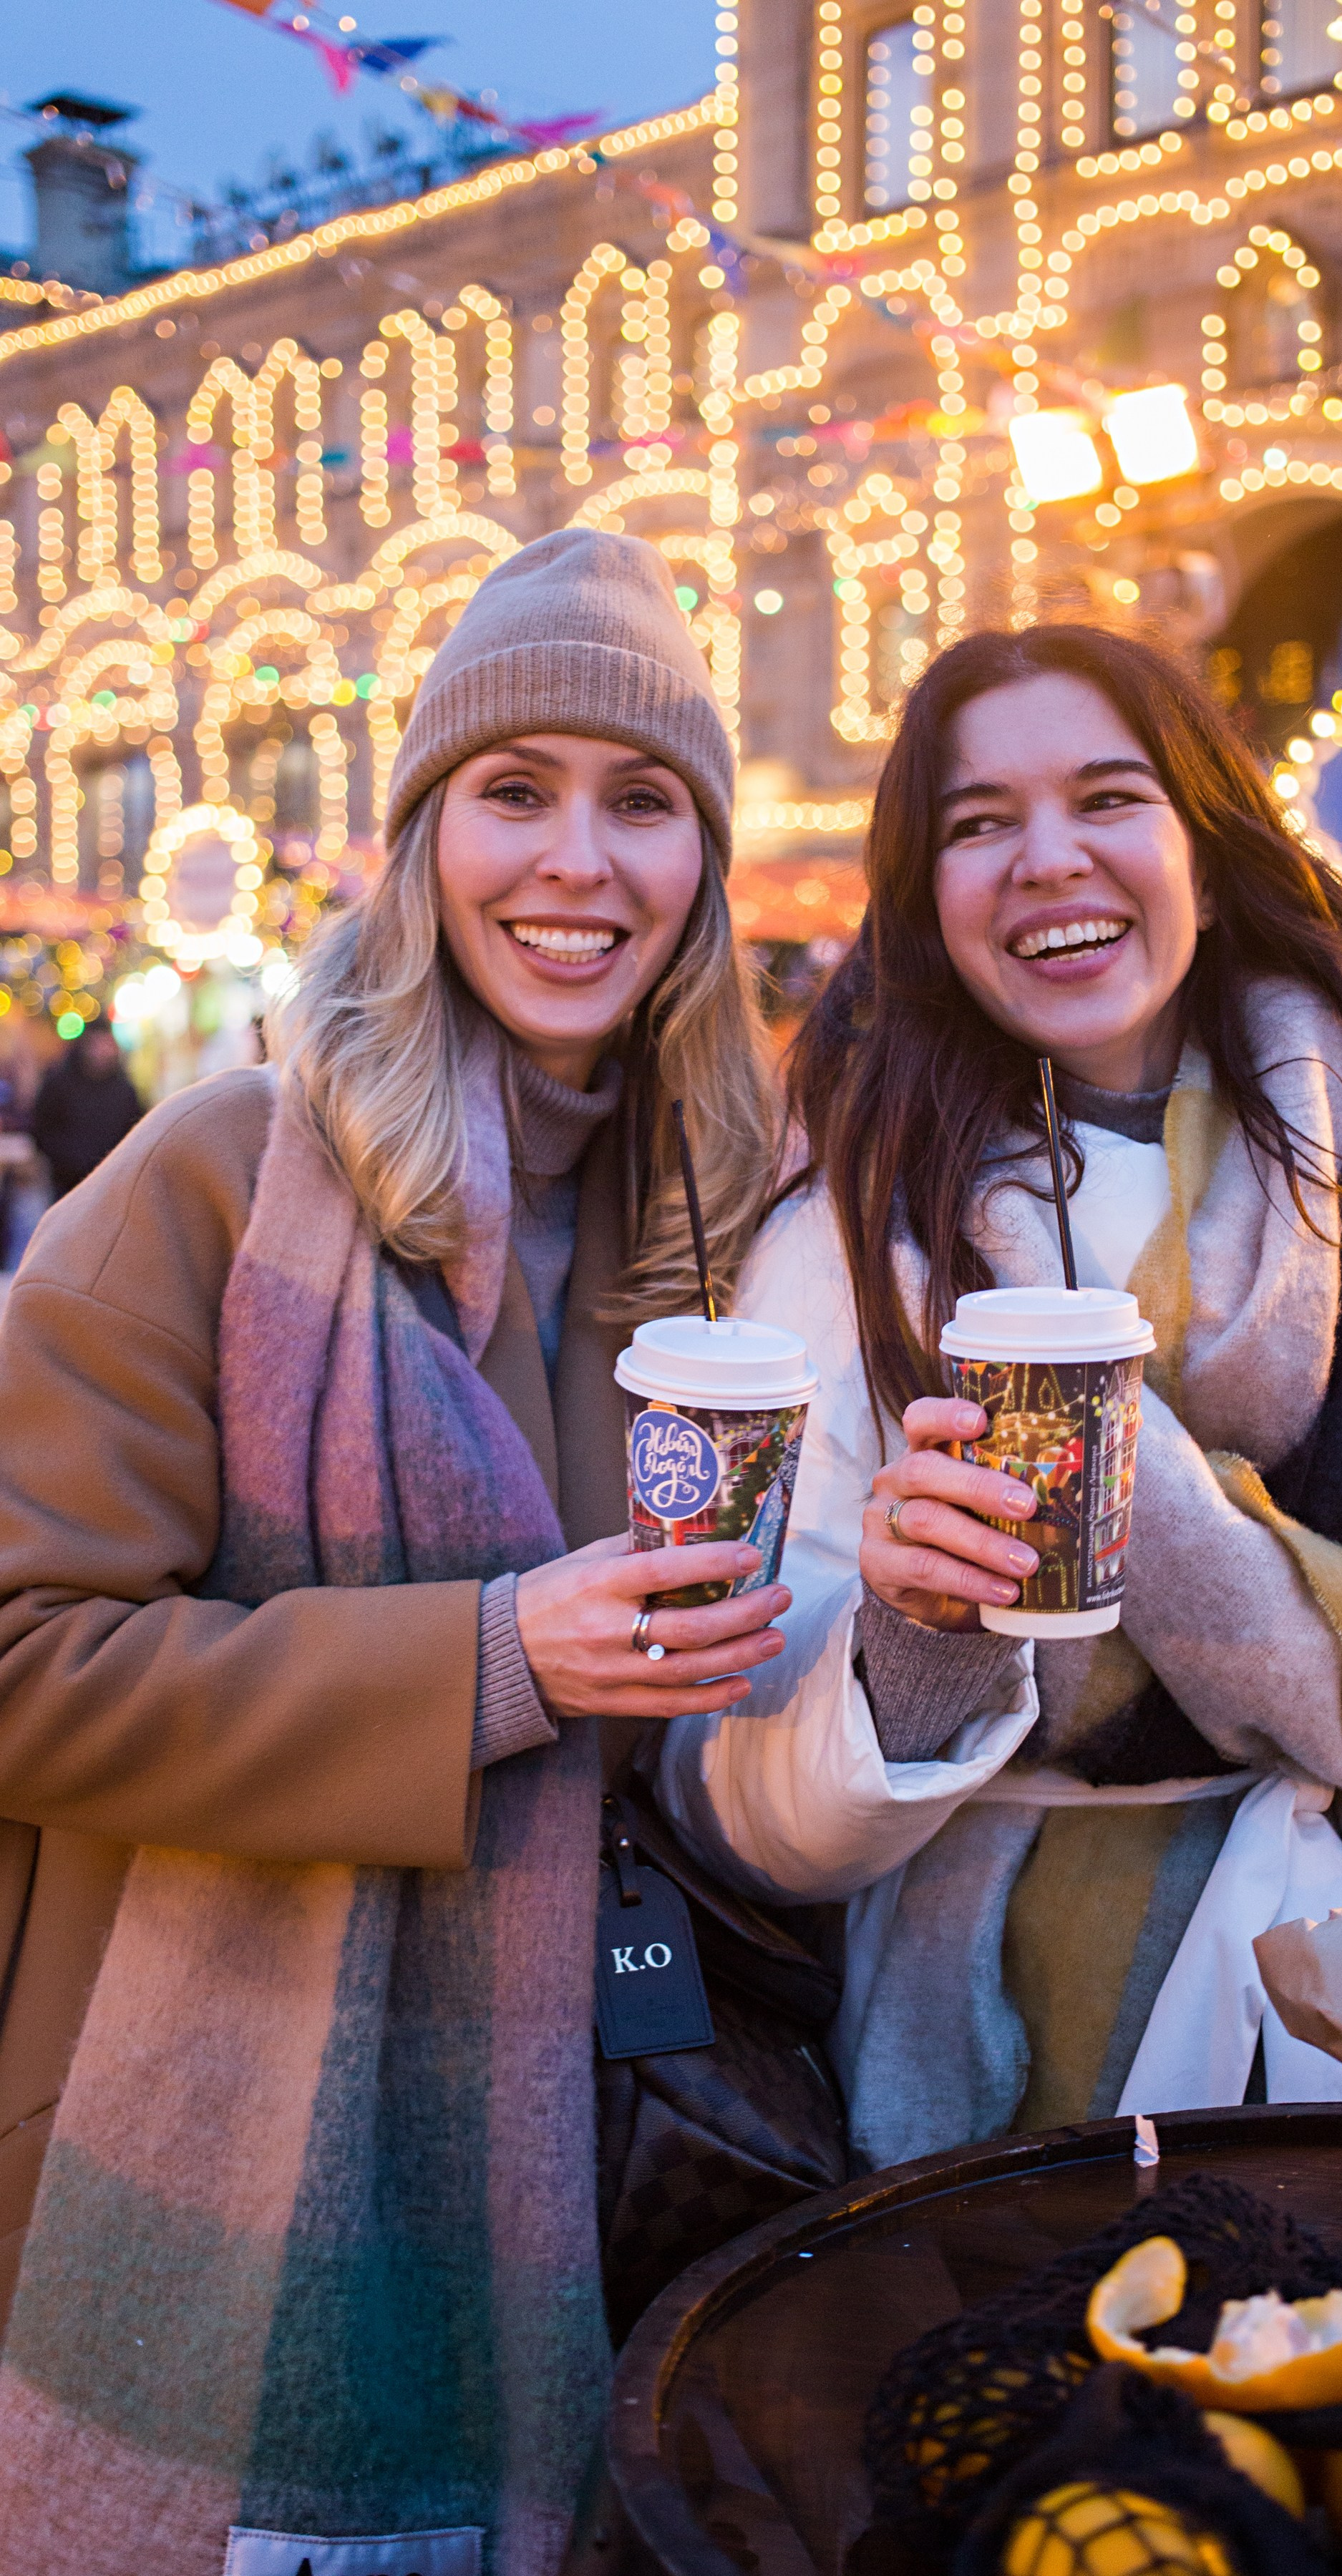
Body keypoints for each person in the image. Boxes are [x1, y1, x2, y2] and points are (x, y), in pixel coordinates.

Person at [652, 622, 1342, 2176]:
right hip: (1010, 2066)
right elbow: (735, 1794)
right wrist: (915, 1649)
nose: (1049, 858)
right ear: (927, 903)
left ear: (1206, 860)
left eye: (1108, 798)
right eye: (978, 823)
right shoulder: (847, 1247)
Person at [0, 532, 782, 2574]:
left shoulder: (739, 1225)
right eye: (514, 791)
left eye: (642, 802)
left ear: (702, 864)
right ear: (425, 832)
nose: (577, 863)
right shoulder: (215, 1180)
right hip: (217, 2143)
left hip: (640, 2142)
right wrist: (492, 1661)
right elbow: (23, 1662)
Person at [29, 1015, 142, 1199]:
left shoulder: (124, 1089)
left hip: (112, 1182)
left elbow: (135, 1129)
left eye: (106, 1044)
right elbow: (42, 1129)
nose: (101, 1051)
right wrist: (69, 1159)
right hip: (67, 1184)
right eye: (96, 1044)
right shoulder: (58, 1084)